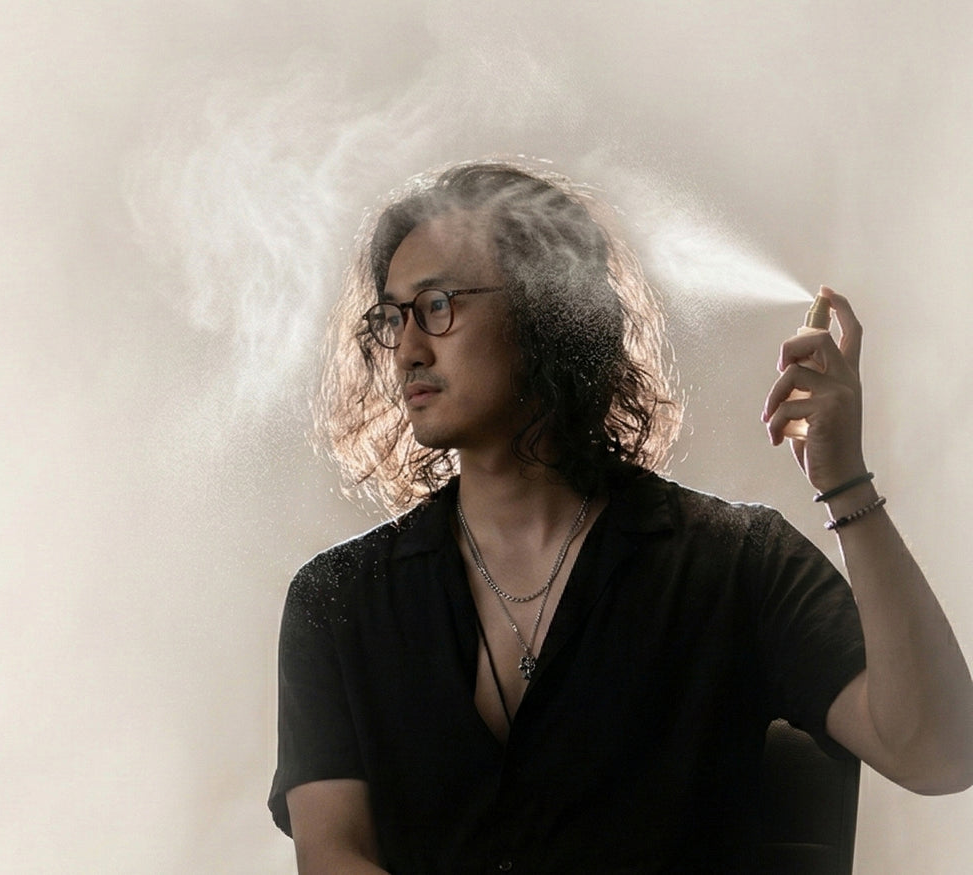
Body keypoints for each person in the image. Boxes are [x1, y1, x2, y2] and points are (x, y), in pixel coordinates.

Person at [268, 160, 973, 873]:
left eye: (438, 305)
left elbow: (939, 754)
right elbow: (334, 857)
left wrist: (844, 482)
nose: (409, 350)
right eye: (393, 318)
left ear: (550, 310)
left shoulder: (738, 565)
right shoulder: (338, 601)